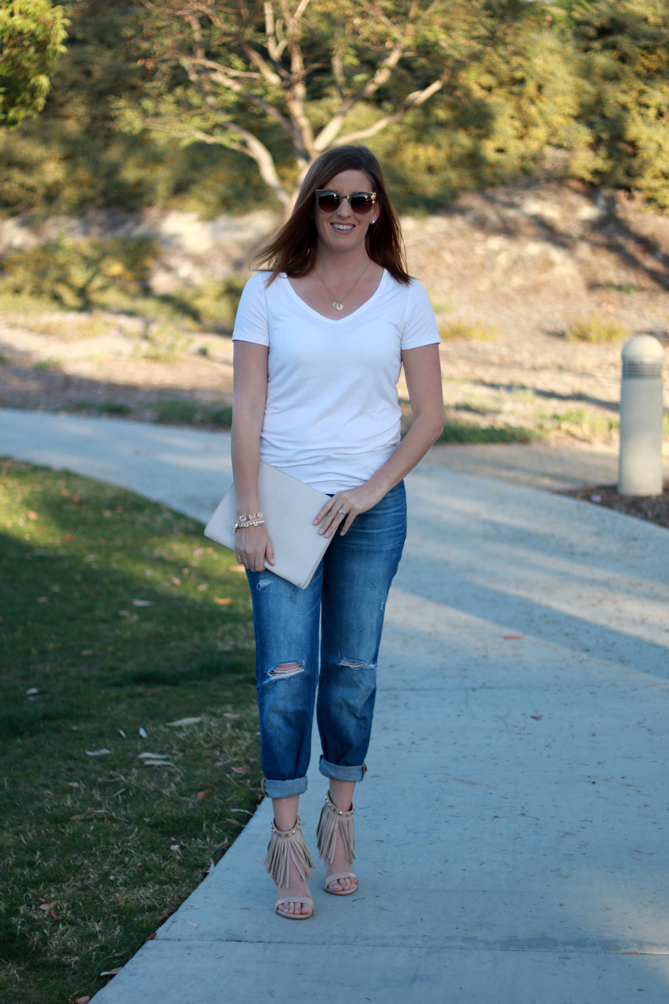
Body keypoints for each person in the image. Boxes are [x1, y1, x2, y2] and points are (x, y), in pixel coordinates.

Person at [231, 145, 443, 919]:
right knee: (285, 676)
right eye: (328, 199)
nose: (344, 213)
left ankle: (340, 823)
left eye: (359, 200)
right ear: (309, 207)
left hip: (371, 509)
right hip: (284, 504)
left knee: (352, 670)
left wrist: (370, 488)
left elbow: (429, 415)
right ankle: (287, 842)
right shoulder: (266, 292)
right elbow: (247, 410)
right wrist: (249, 512)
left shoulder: (404, 297)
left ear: (378, 209)